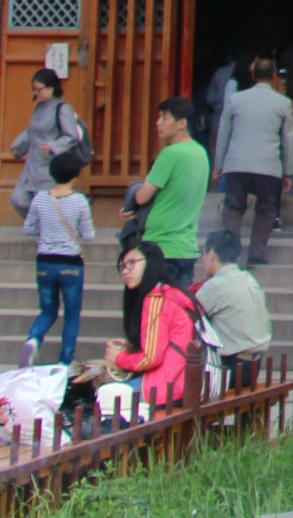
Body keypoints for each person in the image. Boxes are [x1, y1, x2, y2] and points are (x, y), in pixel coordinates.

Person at [212, 58, 293, 267]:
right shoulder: (283, 103)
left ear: (252, 75)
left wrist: (219, 165)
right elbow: (288, 139)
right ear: (275, 77)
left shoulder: (235, 100)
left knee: (233, 206)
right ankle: (257, 252)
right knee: (266, 209)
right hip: (268, 165)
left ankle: (231, 251)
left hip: (237, 163)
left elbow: (223, 134)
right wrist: (288, 171)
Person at [20, 140, 93, 369]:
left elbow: (28, 228)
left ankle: (33, 340)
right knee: (71, 314)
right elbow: (88, 235)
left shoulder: (40, 198)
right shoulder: (80, 201)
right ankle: (65, 361)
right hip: (71, 264)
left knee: (48, 309)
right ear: (75, 175)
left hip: (45, 262)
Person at [105, 240, 201, 412]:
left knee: (102, 396)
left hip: (168, 388)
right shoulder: (171, 292)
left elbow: (150, 358)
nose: (126, 271)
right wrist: (131, 348)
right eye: (123, 266)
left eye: (132, 263)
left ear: (151, 263)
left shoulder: (156, 299)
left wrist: (119, 358)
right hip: (183, 382)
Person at [128, 99, 208, 287]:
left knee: (157, 311)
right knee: (179, 310)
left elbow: (141, 196)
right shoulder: (201, 153)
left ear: (182, 123)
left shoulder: (170, 154)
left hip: (160, 245)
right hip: (186, 246)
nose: (158, 122)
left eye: (164, 118)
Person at [196, 227, 273, 390]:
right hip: (255, 364)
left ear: (211, 254)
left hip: (231, 367)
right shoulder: (247, 278)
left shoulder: (216, 285)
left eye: (203, 254)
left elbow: (189, 319)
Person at [9, 65, 88, 220]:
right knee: (18, 198)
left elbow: (71, 136)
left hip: (49, 164)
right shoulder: (39, 107)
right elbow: (31, 131)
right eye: (34, 89)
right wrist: (18, 147)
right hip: (33, 162)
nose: (36, 93)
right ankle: (40, 227)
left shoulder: (62, 108)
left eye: (40, 89)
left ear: (52, 87)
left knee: (47, 204)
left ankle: (48, 230)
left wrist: (53, 146)